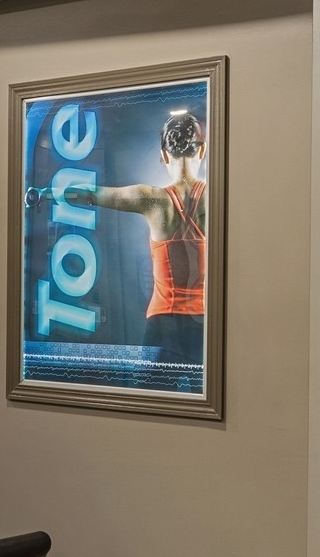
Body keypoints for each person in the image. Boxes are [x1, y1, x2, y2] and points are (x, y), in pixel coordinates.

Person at [63, 111, 208, 367]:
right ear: (203, 150)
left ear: (163, 155)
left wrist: (43, 193)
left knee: (150, 405)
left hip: (164, 326)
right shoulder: (218, 196)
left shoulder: (150, 199)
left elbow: (89, 194)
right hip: (205, 324)